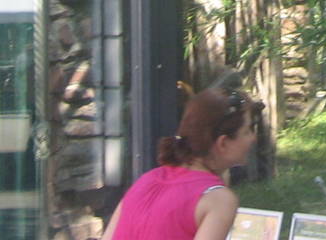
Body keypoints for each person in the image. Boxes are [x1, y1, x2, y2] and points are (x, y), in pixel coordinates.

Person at [102, 84, 263, 240]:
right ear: (223, 143)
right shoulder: (218, 200)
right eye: (248, 130)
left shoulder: (145, 181)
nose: (253, 138)